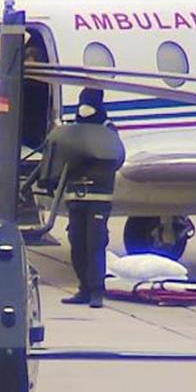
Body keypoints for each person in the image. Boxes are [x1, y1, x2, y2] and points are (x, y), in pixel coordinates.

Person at [43, 88, 126, 308]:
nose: (84, 107)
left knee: (95, 244)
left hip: (99, 195)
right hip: (75, 195)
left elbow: (116, 157)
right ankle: (83, 288)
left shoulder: (108, 129)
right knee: (77, 242)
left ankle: (97, 290)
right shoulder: (73, 129)